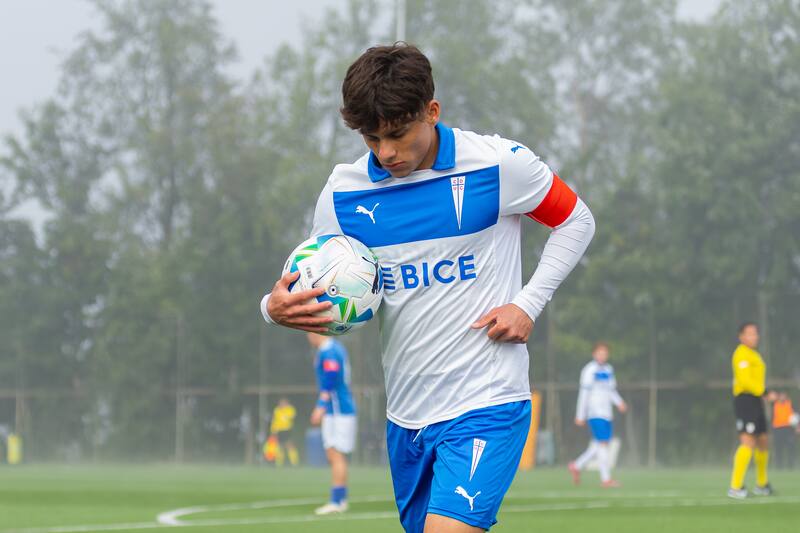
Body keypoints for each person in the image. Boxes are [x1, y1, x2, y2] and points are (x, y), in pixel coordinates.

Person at [261, 43, 595, 532]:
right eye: (372, 138)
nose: (386, 152)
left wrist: (527, 303)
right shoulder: (344, 193)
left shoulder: (496, 164)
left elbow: (575, 220)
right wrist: (272, 308)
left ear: (431, 112)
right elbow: (313, 283)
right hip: (406, 418)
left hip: (487, 401)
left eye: (397, 134)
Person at [307, 332, 357, 515]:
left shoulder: (329, 351)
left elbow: (331, 378)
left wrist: (321, 405)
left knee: (335, 455)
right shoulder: (331, 348)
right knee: (335, 455)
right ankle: (340, 499)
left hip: (338, 410)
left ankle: (337, 501)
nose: (308, 335)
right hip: (337, 410)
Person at [568, 342, 627, 487]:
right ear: (594, 354)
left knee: (598, 444)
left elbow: (611, 390)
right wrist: (580, 415)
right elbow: (584, 393)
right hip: (594, 412)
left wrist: (619, 402)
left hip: (606, 413)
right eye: (599, 353)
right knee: (603, 444)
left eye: (605, 353)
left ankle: (576, 465)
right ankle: (606, 479)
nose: (602, 355)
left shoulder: (608, 369)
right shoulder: (589, 370)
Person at [728, 322, 775, 499]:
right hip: (745, 400)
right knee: (748, 441)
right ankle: (735, 486)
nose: (754, 336)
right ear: (741, 336)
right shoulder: (741, 354)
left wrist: (763, 393)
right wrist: (765, 392)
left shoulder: (754, 354)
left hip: (756, 400)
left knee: (763, 440)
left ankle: (762, 484)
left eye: (755, 333)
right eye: (750, 333)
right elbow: (745, 381)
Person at [269, 397, 299, 466]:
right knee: (279, 446)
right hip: (279, 430)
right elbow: (274, 421)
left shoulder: (290, 409)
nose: (282, 404)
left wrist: (285, 413)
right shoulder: (276, 410)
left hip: (287, 429)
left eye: (284, 402)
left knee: (290, 445)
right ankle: (279, 463)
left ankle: (294, 463)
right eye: (281, 402)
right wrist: (273, 430)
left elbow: (292, 416)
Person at [770, 392, 796, 470]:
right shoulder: (774, 404)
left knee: (790, 446)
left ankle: (790, 465)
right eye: (781, 396)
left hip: (788, 429)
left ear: (786, 396)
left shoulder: (790, 404)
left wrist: (797, 426)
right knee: (778, 447)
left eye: (784, 396)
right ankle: (779, 465)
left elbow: (795, 416)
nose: (782, 397)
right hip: (777, 429)